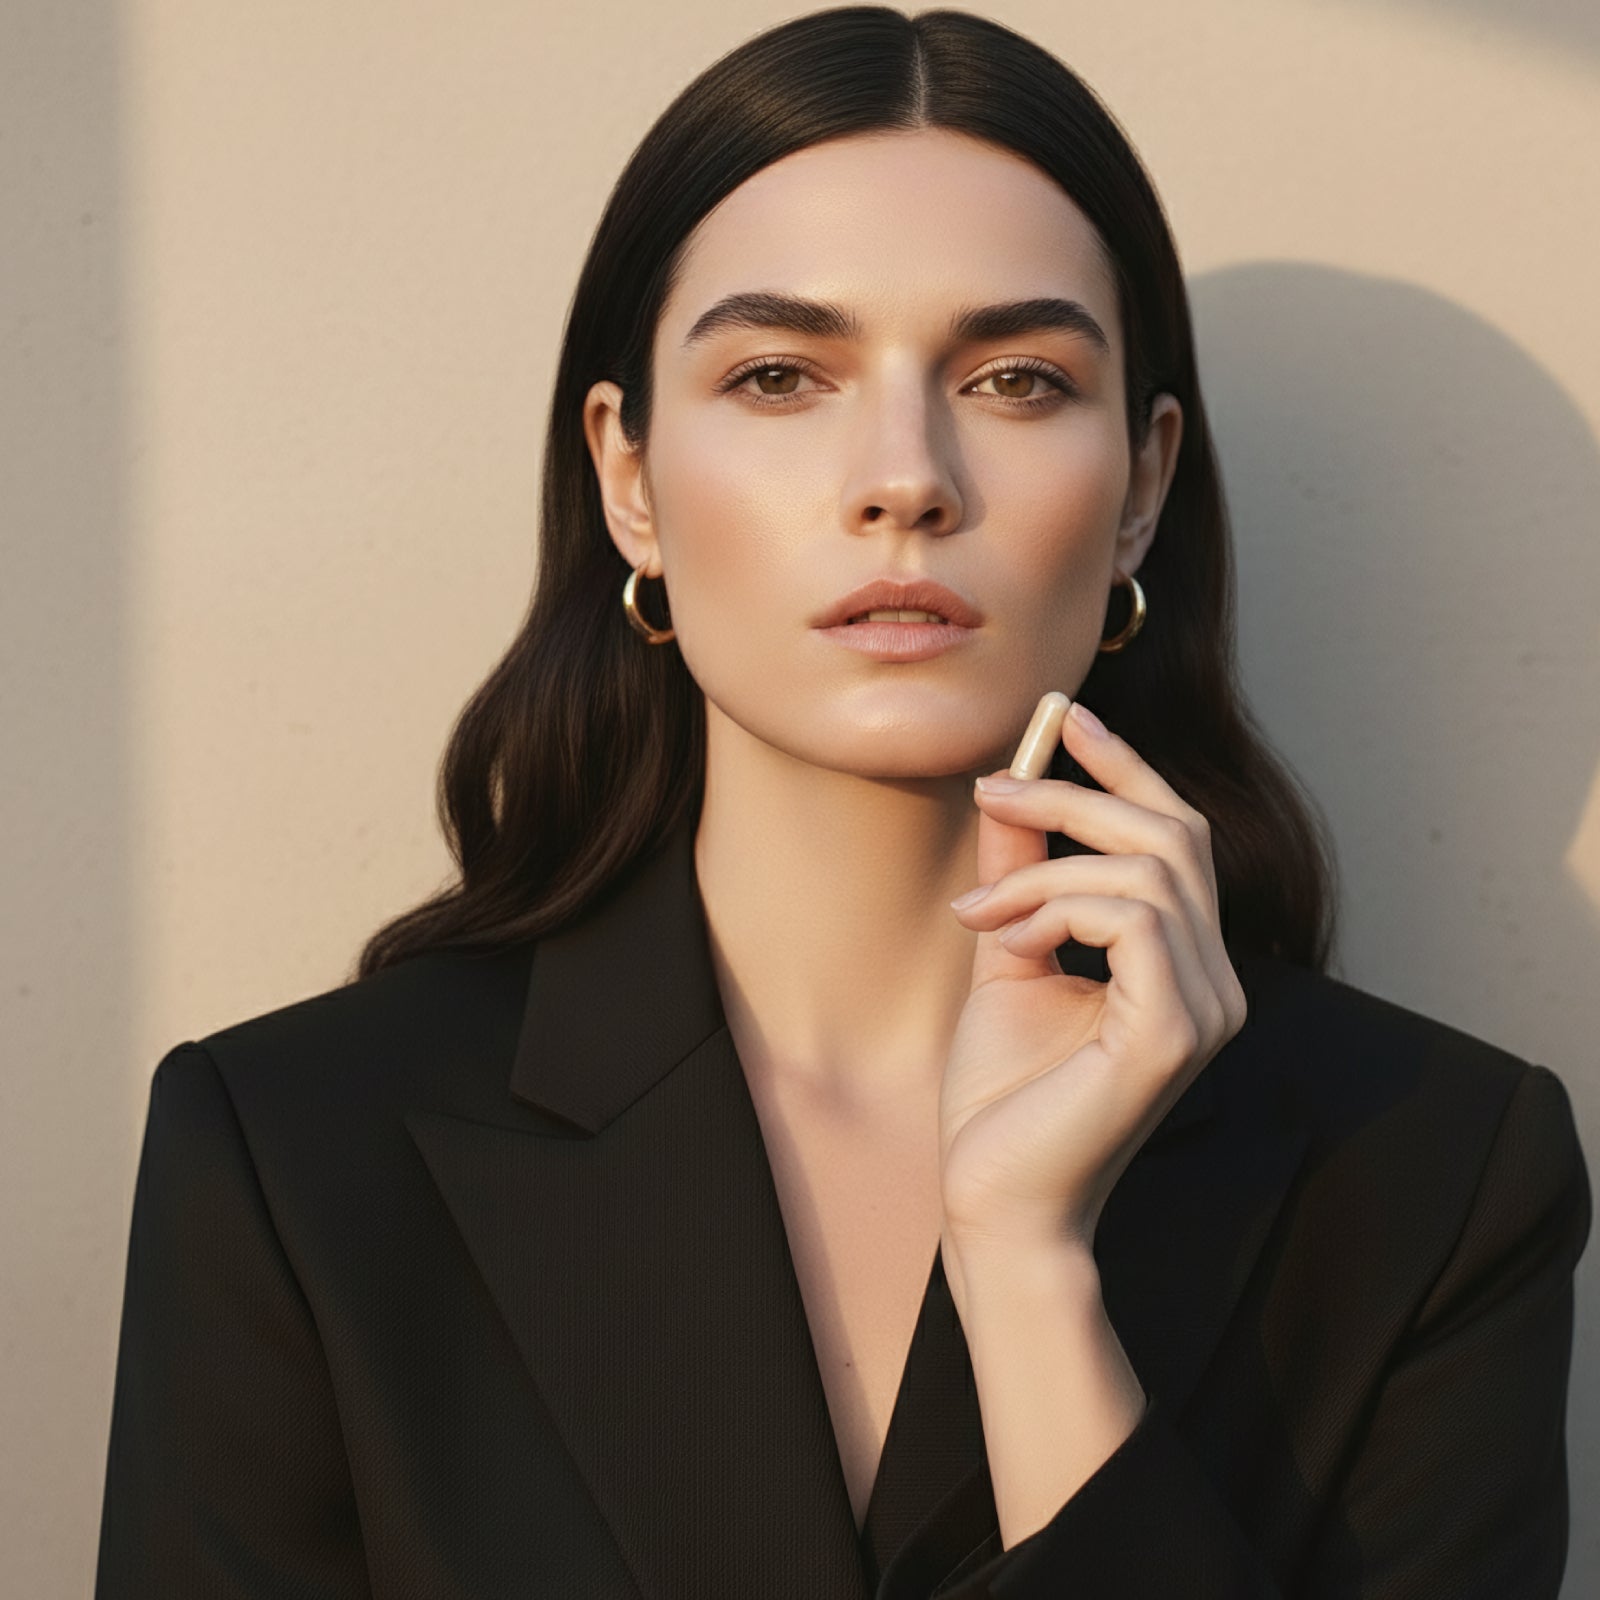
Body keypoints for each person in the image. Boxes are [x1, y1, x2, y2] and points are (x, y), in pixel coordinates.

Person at [94, 7, 1591, 1597]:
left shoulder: (1433, 1174)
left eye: (1016, 376)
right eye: (779, 373)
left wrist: (1027, 1278)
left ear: (1144, 485)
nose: (905, 474)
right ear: (629, 477)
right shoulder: (295, 1155)